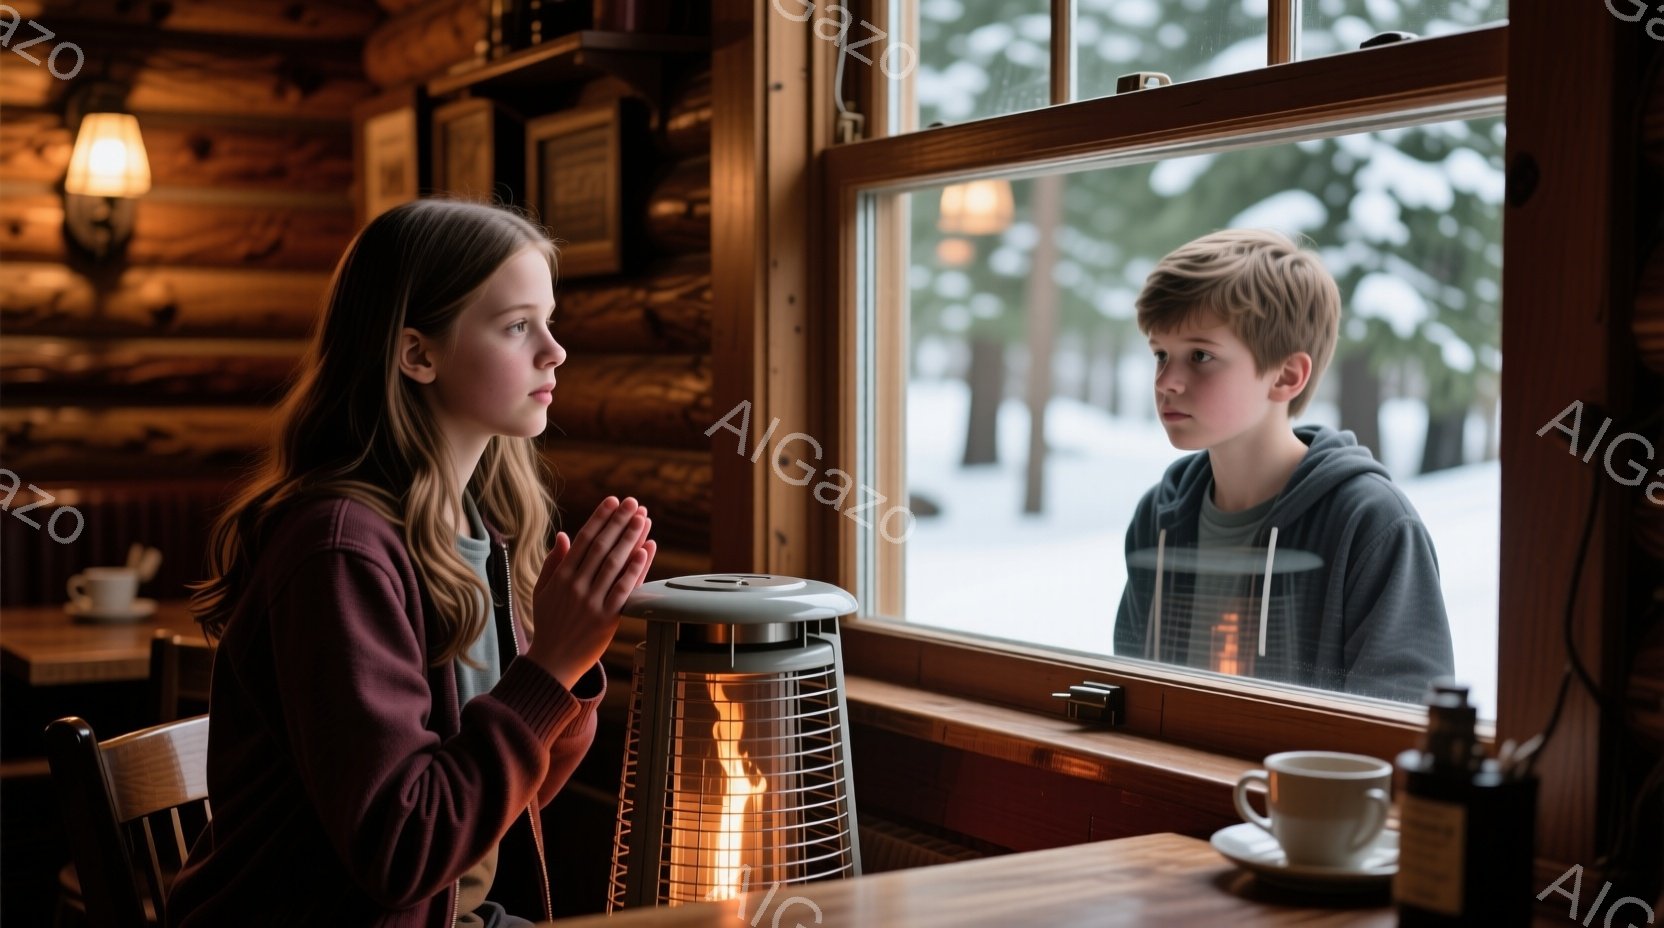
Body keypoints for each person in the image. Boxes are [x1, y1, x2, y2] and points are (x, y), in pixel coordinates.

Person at [166, 199, 657, 927]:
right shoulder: (338, 550)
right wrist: (546, 669)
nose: (554, 351)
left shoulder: (472, 532)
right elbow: (402, 852)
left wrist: (568, 666)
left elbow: (498, 803)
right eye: (518, 326)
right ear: (418, 354)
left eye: (549, 322)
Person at [1112, 229, 1453, 703]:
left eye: (1201, 356)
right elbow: (1134, 701)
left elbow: (1400, 728)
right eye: (1160, 354)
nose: (1167, 380)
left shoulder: (1371, 523)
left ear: (1287, 376)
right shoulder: (1159, 517)